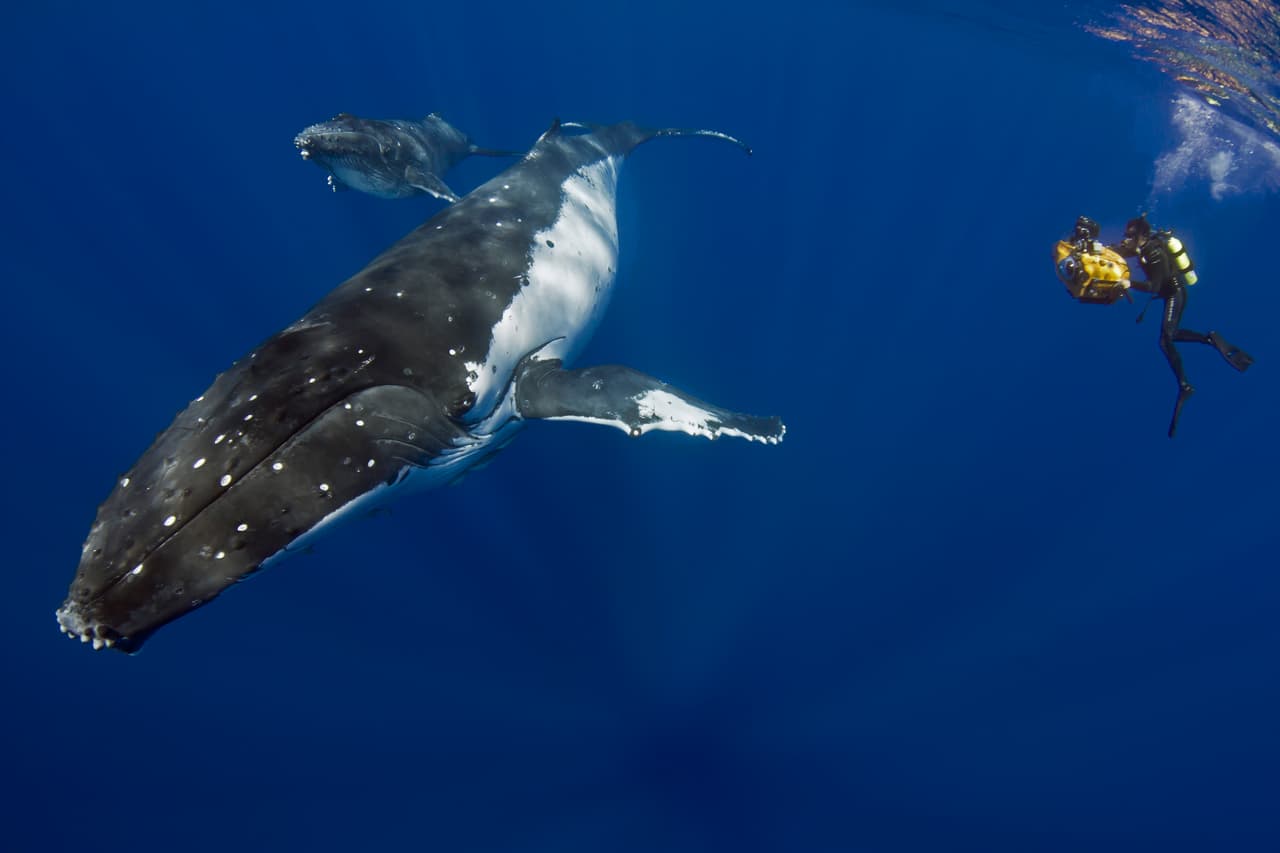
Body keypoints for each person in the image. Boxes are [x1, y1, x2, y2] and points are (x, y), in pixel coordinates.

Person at [1109, 213, 1253, 437]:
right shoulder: (1142, 248)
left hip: (1175, 292)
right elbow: (1119, 251)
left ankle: (1202, 353)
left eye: (1130, 235)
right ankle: (1187, 380)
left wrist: (1129, 283)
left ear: (1142, 235)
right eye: (1126, 235)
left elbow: (1154, 286)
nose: (1127, 238)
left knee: (1167, 337)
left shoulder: (1154, 253)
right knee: (1167, 339)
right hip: (1169, 293)